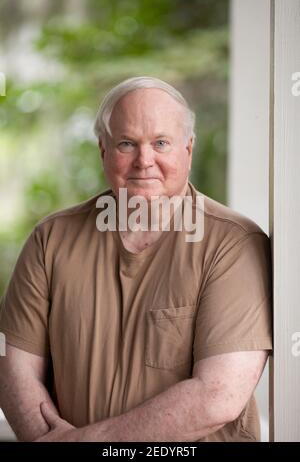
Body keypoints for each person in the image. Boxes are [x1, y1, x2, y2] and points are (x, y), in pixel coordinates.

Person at [0, 76, 272, 442]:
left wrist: (89, 442)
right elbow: (11, 366)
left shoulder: (234, 244)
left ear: (188, 149)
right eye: (127, 143)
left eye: (161, 143)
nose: (145, 161)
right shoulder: (51, 240)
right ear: (103, 151)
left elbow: (217, 396)